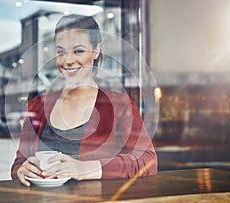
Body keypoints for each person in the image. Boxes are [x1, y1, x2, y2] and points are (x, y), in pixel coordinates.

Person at [11, 14, 157, 187]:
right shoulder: (37, 106)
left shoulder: (119, 105)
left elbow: (148, 160)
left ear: (96, 51)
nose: (68, 61)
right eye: (61, 52)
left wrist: (85, 169)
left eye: (78, 51)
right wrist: (21, 170)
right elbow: (19, 164)